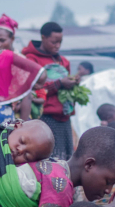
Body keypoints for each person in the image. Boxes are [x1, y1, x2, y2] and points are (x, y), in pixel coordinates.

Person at [23, 22, 80, 161]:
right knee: (46, 159)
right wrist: (59, 83)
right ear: (43, 37)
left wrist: (73, 83)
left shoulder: (63, 61)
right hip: (45, 117)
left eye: (60, 42)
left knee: (65, 160)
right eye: (54, 42)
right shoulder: (31, 59)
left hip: (64, 119)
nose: (57, 46)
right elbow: (32, 89)